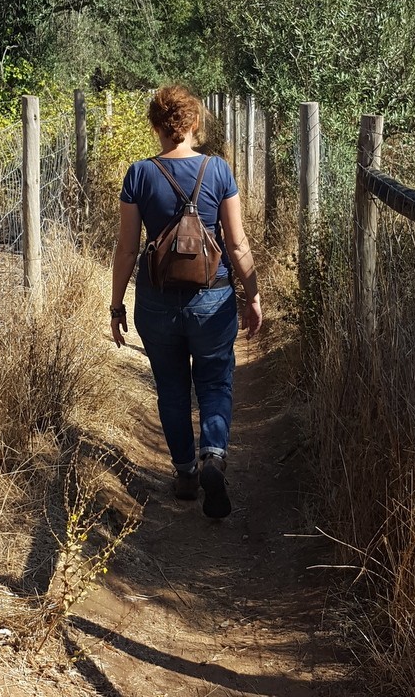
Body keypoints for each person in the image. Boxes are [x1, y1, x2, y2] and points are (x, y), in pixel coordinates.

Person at [110, 85, 263, 520]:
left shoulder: (139, 174)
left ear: (155, 125)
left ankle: (184, 473)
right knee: (215, 381)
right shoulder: (219, 171)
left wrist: (117, 304)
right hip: (212, 299)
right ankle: (213, 455)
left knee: (172, 389)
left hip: (156, 303)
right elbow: (237, 244)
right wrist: (252, 295)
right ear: (194, 123)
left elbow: (125, 249)